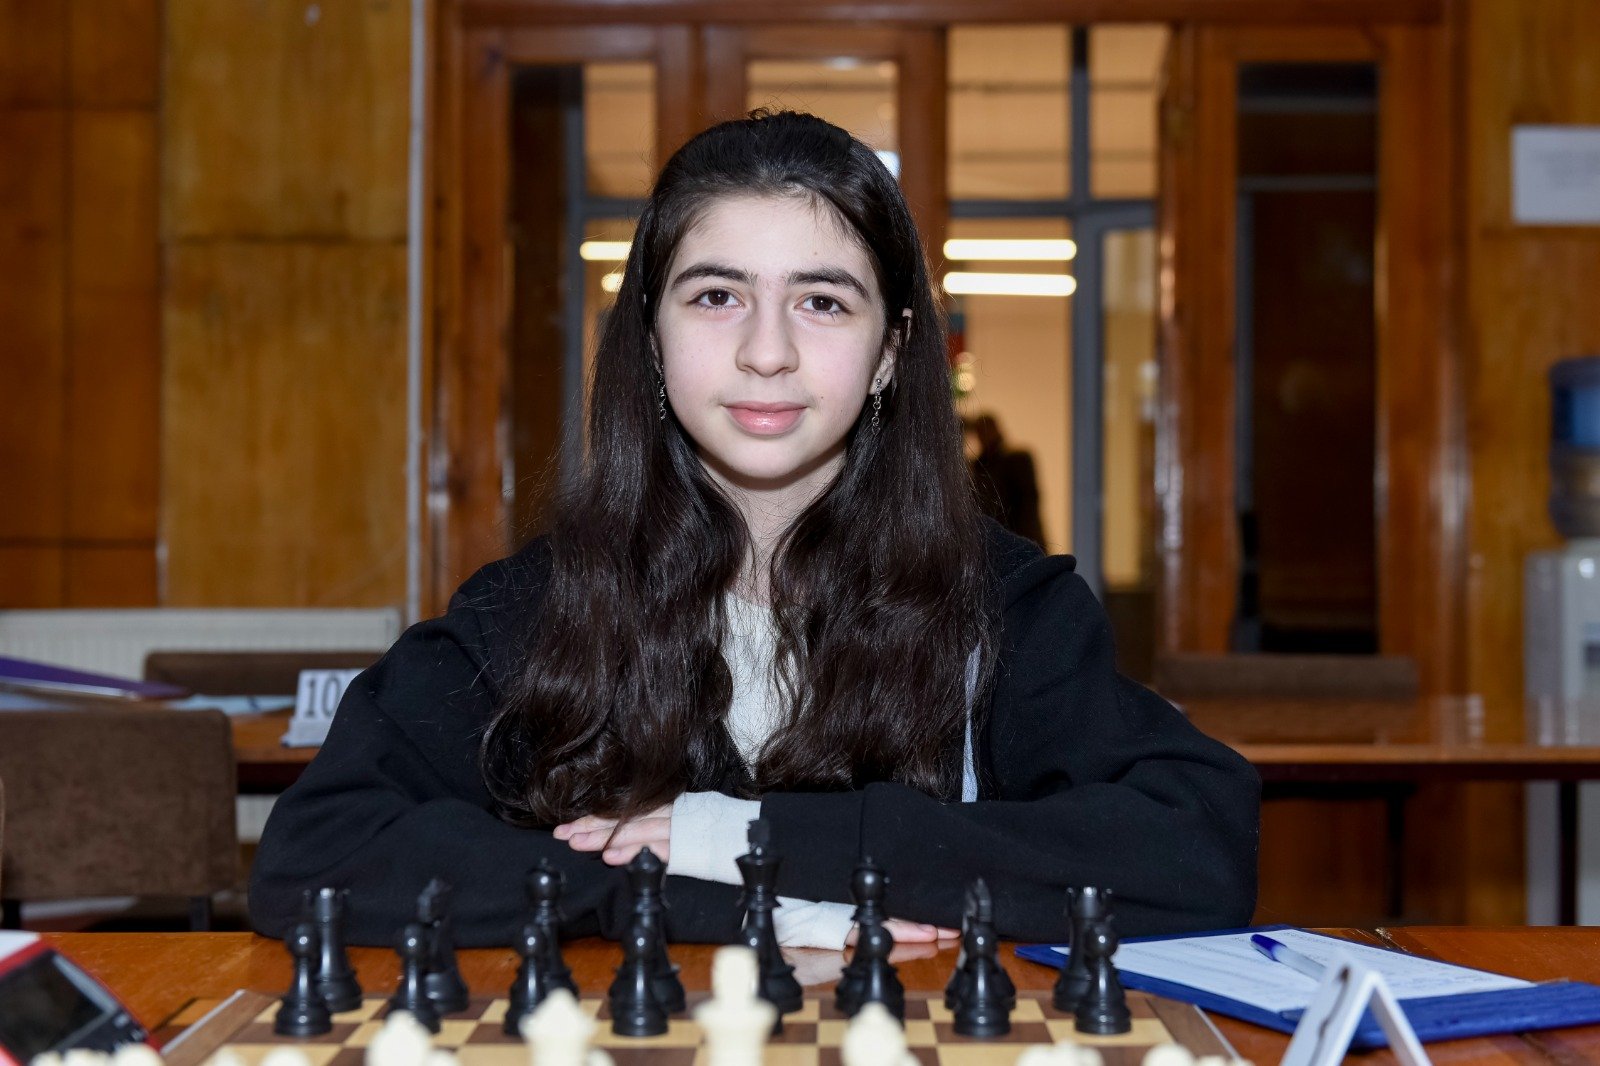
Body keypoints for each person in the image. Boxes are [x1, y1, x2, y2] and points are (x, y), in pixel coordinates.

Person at [249, 111, 1259, 950]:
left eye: (821, 301)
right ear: (652, 339)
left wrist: (737, 835)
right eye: (717, 296)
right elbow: (318, 853)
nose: (766, 351)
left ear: (889, 352)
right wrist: (693, 900)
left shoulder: (1005, 608)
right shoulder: (535, 607)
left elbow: (1196, 846)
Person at [965, 412, 1046, 548]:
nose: (983, 435)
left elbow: (1026, 506)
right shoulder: (980, 466)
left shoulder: (1016, 460)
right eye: (980, 431)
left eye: (985, 430)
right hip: (1001, 540)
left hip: (1016, 539)